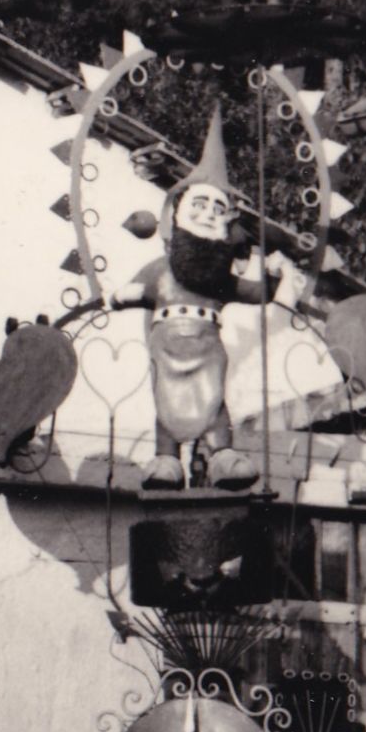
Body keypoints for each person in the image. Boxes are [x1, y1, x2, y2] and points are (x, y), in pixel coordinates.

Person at [108, 112, 299, 489]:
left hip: (208, 348)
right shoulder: (160, 270)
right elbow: (130, 292)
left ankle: (222, 456)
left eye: (217, 209)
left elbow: (258, 294)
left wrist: (273, 275)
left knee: (212, 402)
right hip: (167, 347)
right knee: (166, 401)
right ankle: (166, 459)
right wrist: (122, 296)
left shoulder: (219, 279)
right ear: (177, 213)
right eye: (199, 205)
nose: (208, 214)